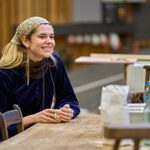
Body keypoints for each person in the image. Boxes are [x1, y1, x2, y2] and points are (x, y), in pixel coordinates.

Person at [0, 16, 80, 138]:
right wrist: (34, 118)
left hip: (42, 133)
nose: (49, 41)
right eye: (42, 36)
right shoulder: (5, 73)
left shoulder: (53, 63)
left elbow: (69, 99)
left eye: (51, 37)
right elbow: (1, 125)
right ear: (26, 41)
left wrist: (67, 111)